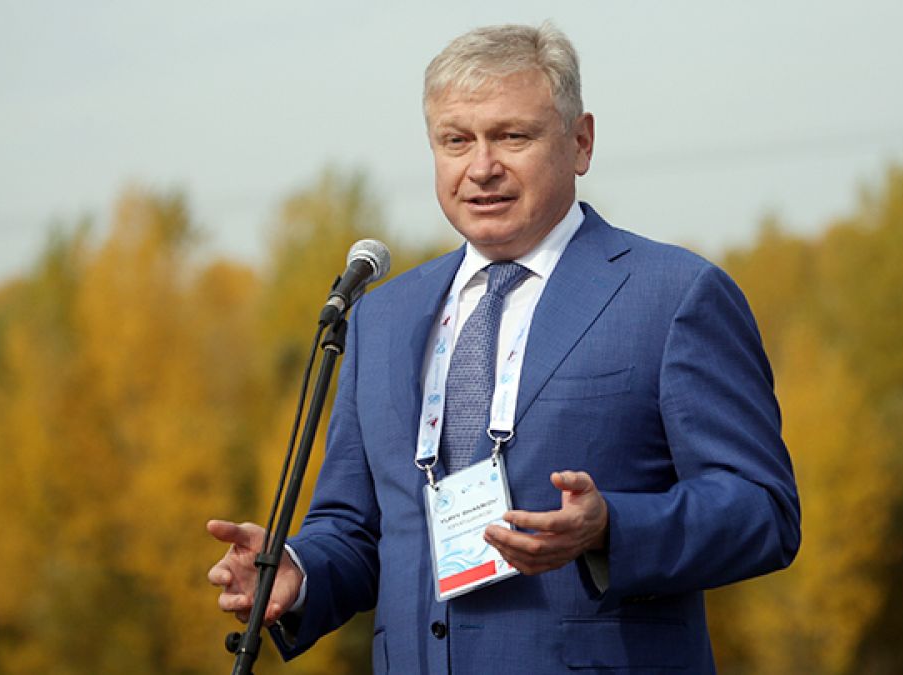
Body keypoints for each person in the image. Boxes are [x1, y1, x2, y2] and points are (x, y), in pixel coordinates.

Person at [208, 22, 799, 674]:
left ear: (580, 142)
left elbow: (763, 510)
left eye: (513, 136)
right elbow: (355, 530)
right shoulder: (382, 318)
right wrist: (297, 571)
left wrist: (611, 528)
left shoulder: (672, 295)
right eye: (456, 140)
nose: (482, 167)